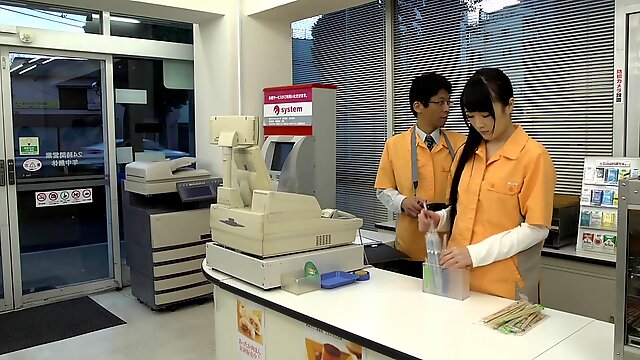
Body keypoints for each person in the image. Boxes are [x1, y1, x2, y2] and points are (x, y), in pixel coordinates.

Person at [418, 68, 556, 302]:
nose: (478, 124)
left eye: (485, 115)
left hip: (505, 288)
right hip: (458, 280)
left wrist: (474, 254)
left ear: (509, 105)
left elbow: (536, 228)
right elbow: (469, 209)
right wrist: (440, 219)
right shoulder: (466, 153)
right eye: (470, 116)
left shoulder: (533, 156)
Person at [375, 72, 466, 278]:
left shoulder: (461, 145)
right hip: (410, 250)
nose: (447, 109)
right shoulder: (395, 145)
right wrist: (403, 201)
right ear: (418, 106)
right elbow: (382, 189)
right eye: (440, 102)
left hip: (452, 249)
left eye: (449, 102)